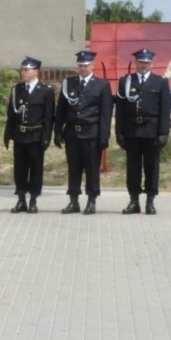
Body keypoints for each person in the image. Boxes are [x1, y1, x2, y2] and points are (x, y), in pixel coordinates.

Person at [53, 50, 112, 216]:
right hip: (72, 134)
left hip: (91, 134)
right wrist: (58, 131)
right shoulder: (69, 83)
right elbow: (61, 110)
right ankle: (73, 200)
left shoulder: (101, 85)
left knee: (92, 169)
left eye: (85, 65)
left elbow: (105, 114)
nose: (82, 68)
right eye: (80, 65)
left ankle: (91, 200)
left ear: (92, 66)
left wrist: (104, 136)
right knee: (74, 168)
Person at [116, 49, 171, 215]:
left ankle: (150, 201)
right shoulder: (126, 81)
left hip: (151, 131)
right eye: (140, 62)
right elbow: (120, 109)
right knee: (133, 167)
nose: (143, 65)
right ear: (135, 63)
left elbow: (165, 109)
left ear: (152, 64)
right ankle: (134, 201)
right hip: (131, 131)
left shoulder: (160, 82)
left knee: (151, 167)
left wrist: (163, 132)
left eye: (146, 62)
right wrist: (119, 131)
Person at [3, 57, 56, 214]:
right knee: (20, 169)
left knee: (35, 169)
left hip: (36, 135)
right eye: (22, 69)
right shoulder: (17, 89)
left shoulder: (46, 90)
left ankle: (33, 199)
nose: (23, 72)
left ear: (36, 71)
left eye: (27, 69)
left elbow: (48, 116)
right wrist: (8, 134)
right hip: (20, 135)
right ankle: (21, 199)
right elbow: (11, 115)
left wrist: (46, 137)